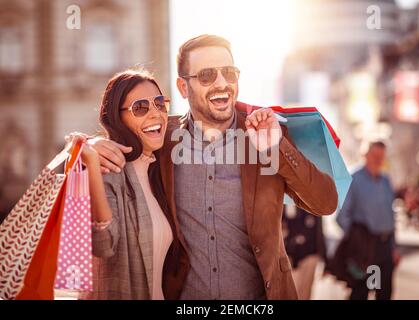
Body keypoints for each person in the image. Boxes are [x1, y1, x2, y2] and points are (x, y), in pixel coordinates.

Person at [89, 34, 338, 300]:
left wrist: (276, 147)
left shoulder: (267, 135)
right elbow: (121, 132)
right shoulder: (162, 141)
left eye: (229, 73)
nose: (222, 83)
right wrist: (87, 144)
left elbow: (325, 203)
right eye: (207, 75)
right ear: (183, 88)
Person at [70, 68, 175, 299]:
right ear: (119, 118)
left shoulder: (158, 168)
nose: (156, 114)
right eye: (140, 107)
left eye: (160, 103)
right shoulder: (109, 170)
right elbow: (103, 243)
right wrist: (89, 160)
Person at [334, 141, 400, 300]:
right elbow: (342, 215)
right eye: (375, 155)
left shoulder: (385, 180)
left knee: (384, 292)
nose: (378, 160)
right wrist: (356, 240)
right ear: (365, 155)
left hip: (384, 247)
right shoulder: (353, 178)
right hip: (364, 249)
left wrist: (394, 248)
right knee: (361, 293)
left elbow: (391, 216)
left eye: (381, 157)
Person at [283, 205, 327, 300]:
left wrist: (325, 259)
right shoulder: (285, 199)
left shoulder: (313, 198)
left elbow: (319, 230)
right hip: (288, 253)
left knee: (304, 293)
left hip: (309, 253)